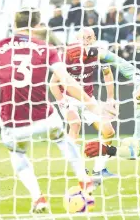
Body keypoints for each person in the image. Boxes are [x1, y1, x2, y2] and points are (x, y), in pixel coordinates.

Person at [0, 8, 100, 213]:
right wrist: (91, 103)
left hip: (13, 121)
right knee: (63, 138)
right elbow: (65, 80)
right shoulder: (46, 48)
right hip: (44, 116)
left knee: (18, 153)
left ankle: (38, 198)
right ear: (38, 26)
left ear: (14, 25)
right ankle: (84, 179)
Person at [50, 28, 117, 177]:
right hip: (68, 97)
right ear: (76, 39)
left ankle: (99, 170)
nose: (86, 41)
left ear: (94, 39)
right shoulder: (67, 55)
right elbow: (53, 83)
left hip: (88, 98)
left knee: (108, 131)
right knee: (75, 124)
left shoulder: (99, 53)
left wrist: (110, 98)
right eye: (83, 38)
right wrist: (62, 102)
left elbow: (107, 74)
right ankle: (78, 169)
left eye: (89, 38)